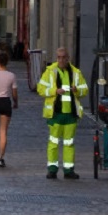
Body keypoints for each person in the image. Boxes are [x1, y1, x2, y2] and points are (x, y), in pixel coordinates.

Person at [38, 47, 89, 179]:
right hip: (55, 113)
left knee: (69, 143)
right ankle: (52, 169)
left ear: (68, 58)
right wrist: (55, 91)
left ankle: (68, 169)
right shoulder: (50, 72)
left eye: (63, 57)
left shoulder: (76, 73)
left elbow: (85, 89)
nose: (61, 60)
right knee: (53, 142)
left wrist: (76, 90)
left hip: (71, 114)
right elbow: (41, 89)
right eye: (58, 57)